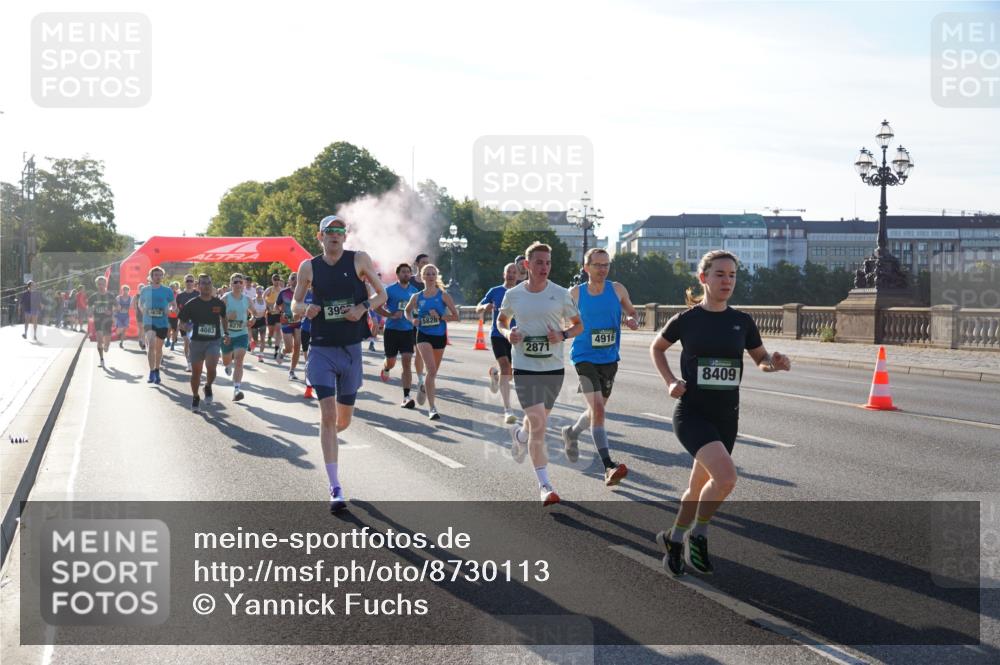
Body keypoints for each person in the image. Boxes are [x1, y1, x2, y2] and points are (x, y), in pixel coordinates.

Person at [650, 250, 792, 576]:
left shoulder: (741, 321)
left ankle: (674, 538)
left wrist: (776, 364)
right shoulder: (687, 320)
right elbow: (656, 348)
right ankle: (698, 534)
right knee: (726, 478)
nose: (727, 281)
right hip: (692, 414)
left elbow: (761, 360)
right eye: (719, 274)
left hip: (726, 417)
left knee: (697, 488)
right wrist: (671, 381)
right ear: (703, 278)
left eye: (732, 275)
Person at [292, 214, 386, 513]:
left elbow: (381, 294)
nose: (334, 235)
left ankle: (328, 435)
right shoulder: (309, 266)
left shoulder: (358, 260)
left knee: (342, 421)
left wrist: (363, 307)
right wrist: (305, 307)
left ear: (345, 236)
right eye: (329, 231)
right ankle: (335, 487)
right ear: (320, 237)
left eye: (339, 231)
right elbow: (294, 304)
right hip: (320, 348)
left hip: (350, 350)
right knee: (328, 415)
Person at [497, 242, 582, 506]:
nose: (544, 267)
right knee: (539, 425)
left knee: (537, 422)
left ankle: (520, 437)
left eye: (547, 263)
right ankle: (544, 485)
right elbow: (501, 321)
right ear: (527, 265)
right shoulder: (514, 294)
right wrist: (508, 333)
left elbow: (579, 325)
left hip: (553, 368)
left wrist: (563, 334)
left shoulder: (560, 294)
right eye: (539, 262)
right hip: (524, 367)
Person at [563, 248, 639, 486]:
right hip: (584, 357)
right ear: (586, 268)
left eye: (606, 264)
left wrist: (631, 319)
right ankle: (608, 466)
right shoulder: (575, 293)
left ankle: (572, 433)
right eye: (598, 265)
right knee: (598, 409)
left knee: (596, 410)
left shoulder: (617, 289)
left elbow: (632, 311)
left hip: (609, 359)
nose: (603, 269)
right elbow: (563, 320)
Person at [405, 264, 459, 421]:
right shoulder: (417, 297)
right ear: (422, 277)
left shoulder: (443, 295)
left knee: (433, 373)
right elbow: (407, 311)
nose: (430, 276)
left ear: (436, 277)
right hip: (423, 335)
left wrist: (441, 317)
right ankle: (432, 408)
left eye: (433, 274)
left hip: (439, 336)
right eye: (427, 274)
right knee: (431, 368)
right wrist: (412, 320)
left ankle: (423, 386)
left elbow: (456, 316)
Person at [476, 263, 519, 424]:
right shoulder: (495, 291)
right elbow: (477, 308)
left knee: (512, 372)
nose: (511, 275)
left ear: (518, 275)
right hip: (498, 334)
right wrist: (484, 307)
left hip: (516, 335)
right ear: (504, 274)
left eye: (514, 272)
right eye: (509, 271)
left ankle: (495, 376)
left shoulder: (522, 292)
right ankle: (508, 409)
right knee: (505, 366)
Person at [179, 273, 228, 412]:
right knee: (196, 373)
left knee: (212, 368)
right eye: (203, 283)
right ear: (198, 286)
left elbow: (224, 318)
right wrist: (186, 327)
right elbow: (181, 323)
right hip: (196, 342)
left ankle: (208, 386)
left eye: (209, 283)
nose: (206, 286)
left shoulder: (218, 303)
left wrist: (227, 333)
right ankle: (195, 396)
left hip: (213, 341)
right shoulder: (191, 304)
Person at [377, 263, 420, 409]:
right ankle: (386, 368)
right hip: (392, 330)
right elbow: (377, 307)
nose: (406, 274)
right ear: (398, 274)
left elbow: (419, 309)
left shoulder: (414, 292)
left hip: (408, 331)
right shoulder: (389, 290)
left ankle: (406, 396)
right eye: (403, 272)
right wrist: (390, 315)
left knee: (407, 362)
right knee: (391, 361)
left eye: (408, 272)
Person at [139, 267, 175, 384]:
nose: (158, 277)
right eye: (155, 275)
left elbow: (173, 305)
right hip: (149, 321)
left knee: (159, 349)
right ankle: (151, 371)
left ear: (162, 277)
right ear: (151, 276)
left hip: (162, 322)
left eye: (160, 275)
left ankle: (157, 370)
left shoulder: (167, 290)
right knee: (151, 345)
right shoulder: (145, 290)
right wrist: (142, 309)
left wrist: (169, 309)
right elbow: (140, 303)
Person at [222, 273, 253, 402]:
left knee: (239, 360)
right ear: (231, 284)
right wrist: (228, 317)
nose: (238, 284)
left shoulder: (247, 300)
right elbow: (217, 316)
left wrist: (252, 320)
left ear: (244, 284)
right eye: (235, 282)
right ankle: (228, 365)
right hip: (227, 335)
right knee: (226, 360)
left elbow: (255, 314)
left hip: (242, 334)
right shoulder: (225, 298)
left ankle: (237, 389)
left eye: (240, 282)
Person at [276, 272, 303, 380]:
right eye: (293, 278)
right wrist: (281, 312)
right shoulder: (283, 293)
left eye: (297, 278)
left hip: (299, 322)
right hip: (286, 322)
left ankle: (292, 371)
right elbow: (276, 306)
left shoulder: (303, 292)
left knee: (297, 346)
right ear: (289, 281)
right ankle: (282, 351)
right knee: (289, 349)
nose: (295, 280)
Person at [410, 253, 430, 393]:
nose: (425, 264)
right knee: (417, 351)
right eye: (423, 262)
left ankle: (422, 380)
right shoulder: (409, 281)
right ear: (417, 264)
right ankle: (421, 379)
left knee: (422, 352)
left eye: (427, 262)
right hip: (411, 321)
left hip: (428, 322)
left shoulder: (430, 281)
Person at [89, 276, 116, 367]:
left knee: (106, 343)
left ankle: (107, 345)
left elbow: (117, 306)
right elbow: (88, 307)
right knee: (99, 339)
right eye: (99, 284)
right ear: (97, 285)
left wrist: (112, 312)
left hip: (108, 320)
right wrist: (90, 311)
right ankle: (101, 359)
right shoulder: (93, 297)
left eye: (103, 284)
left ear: (105, 284)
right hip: (98, 320)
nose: (101, 286)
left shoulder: (110, 295)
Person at [176, 275, 200, 372]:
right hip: (184, 322)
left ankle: (195, 361)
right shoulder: (180, 296)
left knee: (194, 344)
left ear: (194, 282)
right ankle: (189, 363)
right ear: (184, 282)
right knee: (187, 342)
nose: (189, 283)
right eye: (187, 281)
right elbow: (178, 310)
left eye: (191, 281)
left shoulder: (198, 294)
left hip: (196, 323)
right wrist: (179, 322)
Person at [264, 273, 284, 359]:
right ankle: (269, 337)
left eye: (277, 279)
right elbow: (263, 297)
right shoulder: (270, 289)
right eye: (275, 279)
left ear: (279, 280)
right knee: (271, 331)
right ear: (272, 280)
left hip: (278, 313)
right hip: (270, 313)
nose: (276, 281)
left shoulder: (282, 290)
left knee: (278, 330)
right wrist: (268, 305)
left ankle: (276, 350)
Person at [250, 285, 268, 359]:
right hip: (255, 320)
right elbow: (249, 310)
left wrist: (266, 317)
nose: (260, 292)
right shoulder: (253, 300)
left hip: (262, 320)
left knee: (263, 339)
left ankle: (260, 355)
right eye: (258, 291)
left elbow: (266, 310)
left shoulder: (265, 301)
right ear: (256, 292)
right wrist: (252, 317)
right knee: (256, 340)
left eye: (261, 291)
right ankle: (252, 346)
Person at [167, 281, 181, 350]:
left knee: (174, 331)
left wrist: (178, 311)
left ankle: (172, 344)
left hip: (176, 315)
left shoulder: (178, 295)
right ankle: (168, 341)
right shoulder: (166, 295)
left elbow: (180, 305)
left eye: (173, 287)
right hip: (168, 315)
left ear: (175, 288)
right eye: (171, 287)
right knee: (168, 329)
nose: (172, 288)